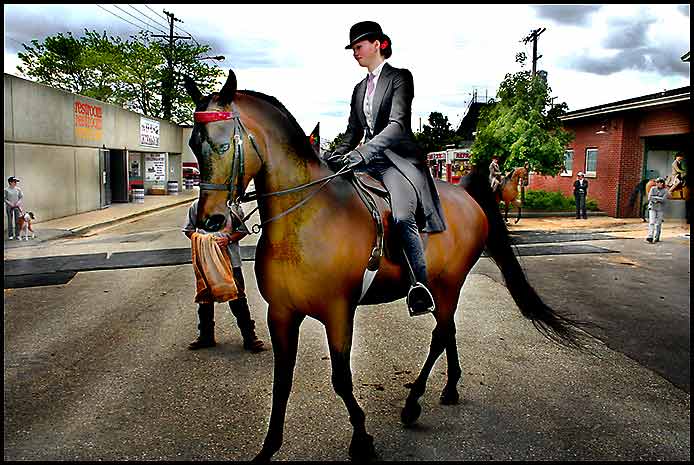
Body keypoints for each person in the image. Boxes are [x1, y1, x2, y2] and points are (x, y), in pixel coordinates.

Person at [324, 20, 446, 316]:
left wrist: (361, 154)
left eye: (359, 46)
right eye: (352, 48)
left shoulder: (400, 78)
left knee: (403, 218)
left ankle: (421, 287)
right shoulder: (358, 89)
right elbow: (353, 131)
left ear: (378, 44)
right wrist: (334, 155)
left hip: (396, 161)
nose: (355, 52)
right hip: (366, 159)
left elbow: (396, 125)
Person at [182, 199, 265, 352]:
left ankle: (249, 337)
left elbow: (241, 231)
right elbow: (189, 229)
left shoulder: (233, 207)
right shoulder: (197, 205)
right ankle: (206, 336)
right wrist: (204, 241)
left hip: (231, 261)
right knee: (205, 299)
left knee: (238, 299)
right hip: (206, 261)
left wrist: (228, 239)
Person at [646, 177, 670, 243]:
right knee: (651, 222)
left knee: (658, 224)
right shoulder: (653, 188)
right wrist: (658, 198)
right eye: (657, 182)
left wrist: (655, 198)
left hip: (660, 209)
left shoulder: (665, 190)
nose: (657, 184)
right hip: (652, 207)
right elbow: (649, 197)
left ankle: (657, 237)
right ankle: (650, 236)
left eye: (659, 182)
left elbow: (663, 199)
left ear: (662, 183)